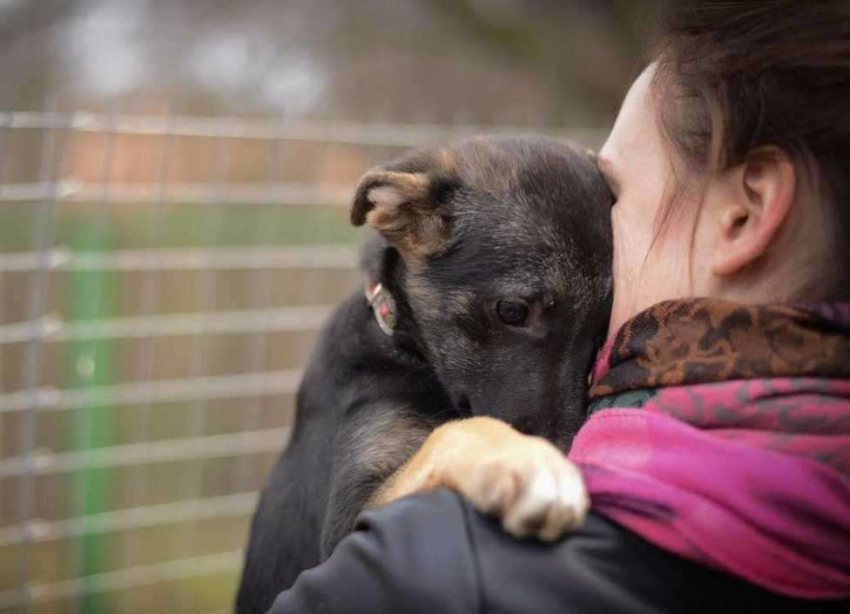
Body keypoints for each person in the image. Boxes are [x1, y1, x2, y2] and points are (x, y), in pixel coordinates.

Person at [265, 1, 850, 611]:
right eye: (516, 313)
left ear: (744, 212)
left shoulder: (449, 570)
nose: (564, 435)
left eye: (614, 191)